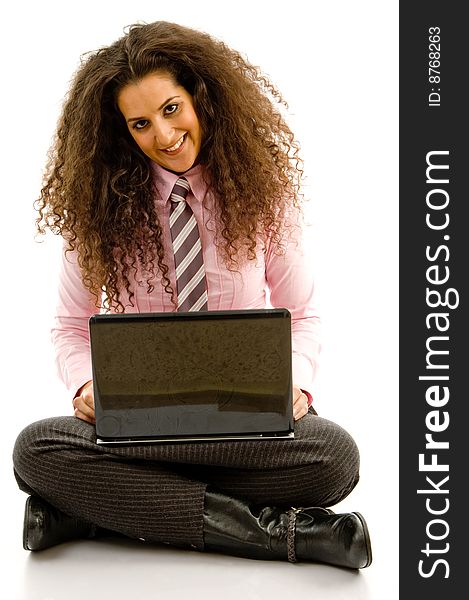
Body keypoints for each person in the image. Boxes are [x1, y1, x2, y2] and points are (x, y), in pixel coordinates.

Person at [12, 21, 372, 569]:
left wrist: (292, 385)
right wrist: (87, 384)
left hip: (244, 423)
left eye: (172, 109)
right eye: (140, 123)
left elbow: (303, 314)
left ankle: (96, 510)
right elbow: (69, 326)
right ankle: (282, 534)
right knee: (35, 450)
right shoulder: (98, 210)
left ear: (201, 97)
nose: (163, 134)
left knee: (335, 458)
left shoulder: (261, 192)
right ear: (121, 133)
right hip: (142, 429)